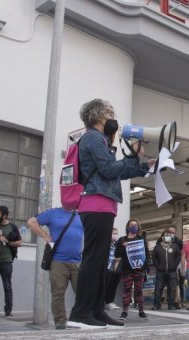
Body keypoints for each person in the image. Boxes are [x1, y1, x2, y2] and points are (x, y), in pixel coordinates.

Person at [68, 98, 153, 329]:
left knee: (98, 262)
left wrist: (143, 165)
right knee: (94, 260)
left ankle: (96, 311)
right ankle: (80, 313)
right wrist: (132, 156)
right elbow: (108, 169)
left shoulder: (99, 140)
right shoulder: (94, 138)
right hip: (96, 204)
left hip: (102, 205)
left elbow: (114, 172)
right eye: (110, 114)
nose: (112, 119)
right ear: (98, 117)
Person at [27, 206, 83, 329]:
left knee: (82, 293)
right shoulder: (53, 213)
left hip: (78, 260)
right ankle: (60, 321)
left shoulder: (81, 214)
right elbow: (31, 222)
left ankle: (79, 318)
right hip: (58, 261)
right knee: (58, 293)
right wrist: (45, 236)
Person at [114, 219, 150, 321]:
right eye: (132, 225)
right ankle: (124, 312)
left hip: (139, 269)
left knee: (139, 290)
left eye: (136, 225)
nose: (134, 227)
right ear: (128, 227)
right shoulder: (122, 240)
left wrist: (145, 265)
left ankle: (141, 311)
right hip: (127, 269)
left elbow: (146, 254)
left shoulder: (141, 239)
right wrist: (122, 247)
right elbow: (117, 254)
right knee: (127, 289)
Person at [152, 229, 181, 311]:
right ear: (162, 237)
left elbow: (178, 256)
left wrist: (174, 266)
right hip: (160, 271)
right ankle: (156, 305)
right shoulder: (157, 247)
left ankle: (171, 305)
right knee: (158, 288)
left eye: (169, 235)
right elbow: (154, 257)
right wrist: (158, 266)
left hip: (172, 271)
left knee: (171, 289)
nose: (168, 237)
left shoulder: (175, 246)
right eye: (166, 235)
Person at [104, 227, 121, 310]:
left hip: (116, 268)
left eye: (116, 234)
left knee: (114, 286)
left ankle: (110, 301)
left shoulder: (117, 245)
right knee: (106, 285)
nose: (115, 235)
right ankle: (103, 302)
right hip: (107, 268)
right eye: (114, 233)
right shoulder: (105, 244)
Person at [168, 225, 185, 308]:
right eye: (170, 232)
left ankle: (178, 301)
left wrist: (182, 266)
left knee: (179, 284)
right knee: (170, 284)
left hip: (177, 265)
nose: (171, 234)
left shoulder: (178, 241)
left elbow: (182, 254)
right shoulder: (162, 240)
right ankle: (170, 301)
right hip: (166, 265)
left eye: (173, 232)